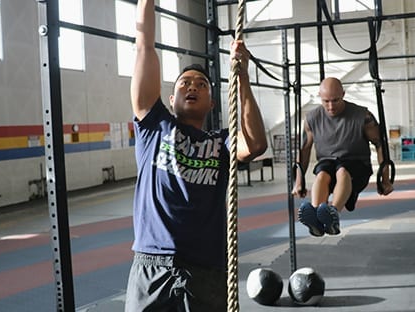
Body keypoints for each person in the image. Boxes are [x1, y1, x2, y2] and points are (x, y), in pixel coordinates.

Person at [125, 1, 267, 311]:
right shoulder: (154, 126)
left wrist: (242, 77)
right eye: (185, 83)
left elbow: (255, 145)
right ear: (171, 97)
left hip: (205, 268)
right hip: (152, 264)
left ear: (213, 103)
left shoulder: (222, 142)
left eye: (202, 85)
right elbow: (144, 48)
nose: (193, 87)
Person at [292, 77, 393, 237]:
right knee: (322, 174)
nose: (331, 106)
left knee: (342, 171)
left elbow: (380, 144)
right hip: (328, 163)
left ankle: (333, 215)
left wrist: (385, 179)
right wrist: (299, 182)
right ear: (319, 96)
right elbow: (304, 149)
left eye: (335, 100)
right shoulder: (311, 118)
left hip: (357, 165)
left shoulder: (363, 115)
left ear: (343, 94)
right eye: (326, 101)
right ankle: (317, 218)